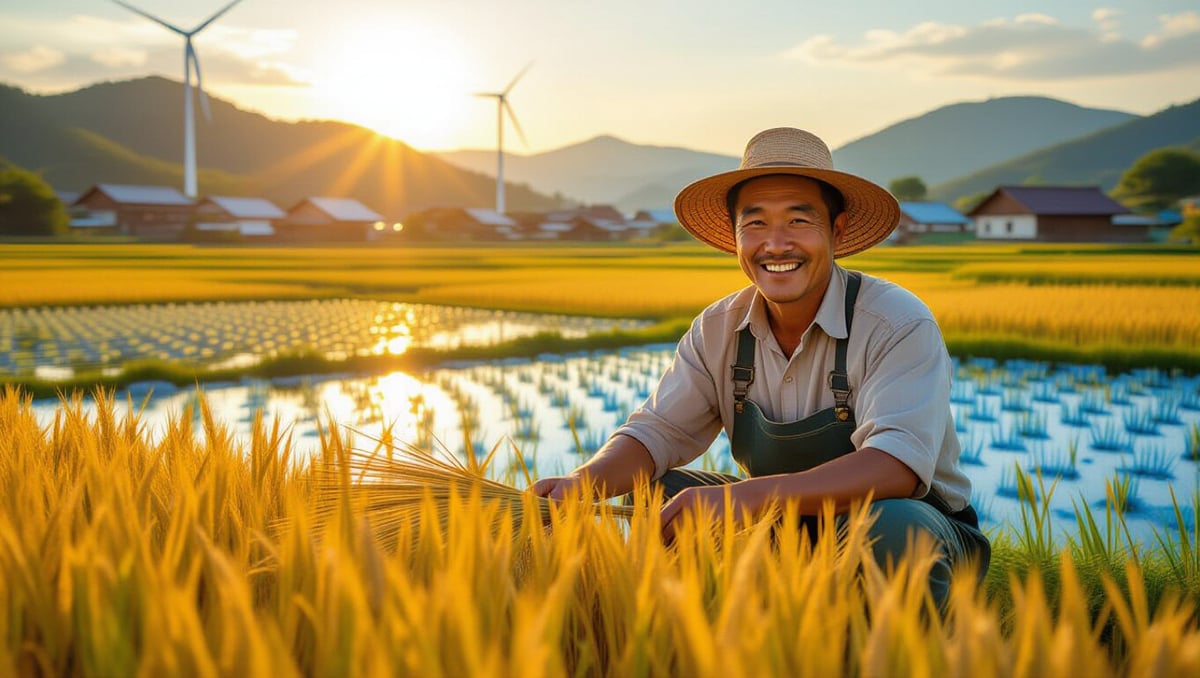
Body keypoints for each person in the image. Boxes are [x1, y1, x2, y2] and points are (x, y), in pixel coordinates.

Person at [531, 127, 989, 607]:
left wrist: (740, 500)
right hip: (782, 523)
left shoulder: (895, 320)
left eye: (797, 220)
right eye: (754, 224)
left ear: (838, 231)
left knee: (893, 526)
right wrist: (581, 484)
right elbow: (656, 432)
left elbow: (896, 466)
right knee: (659, 494)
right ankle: (694, 641)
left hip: (915, 526)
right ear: (734, 237)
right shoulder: (718, 328)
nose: (775, 244)